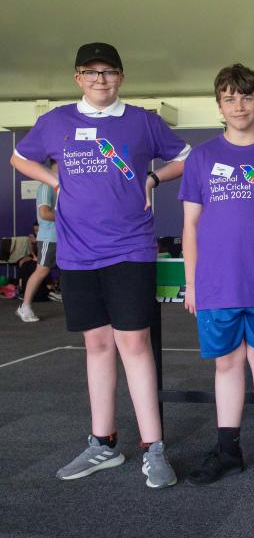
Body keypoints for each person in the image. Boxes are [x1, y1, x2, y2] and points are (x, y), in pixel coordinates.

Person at [11, 42, 188, 487]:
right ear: (78, 78)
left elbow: (187, 157)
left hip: (130, 247)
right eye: (91, 73)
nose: (100, 80)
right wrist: (55, 180)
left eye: (108, 72)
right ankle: (103, 443)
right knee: (97, 346)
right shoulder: (55, 123)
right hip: (77, 251)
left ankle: (154, 448)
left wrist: (153, 176)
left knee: (133, 343)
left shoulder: (143, 122)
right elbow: (19, 157)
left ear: (121, 77)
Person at [179, 64, 254, 489]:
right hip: (217, 285)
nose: (239, 105)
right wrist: (192, 283)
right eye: (230, 98)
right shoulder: (202, 157)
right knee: (227, 364)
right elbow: (190, 227)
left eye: (246, 97)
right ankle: (228, 452)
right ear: (219, 105)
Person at [16, 166, 58, 322]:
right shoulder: (46, 186)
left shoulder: (59, 187)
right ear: (55, 166)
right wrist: (69, 216)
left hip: (64, 237)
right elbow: (44, 213)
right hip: (50, 237)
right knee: (42, 270)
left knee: (71, 270)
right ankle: (25, 307)